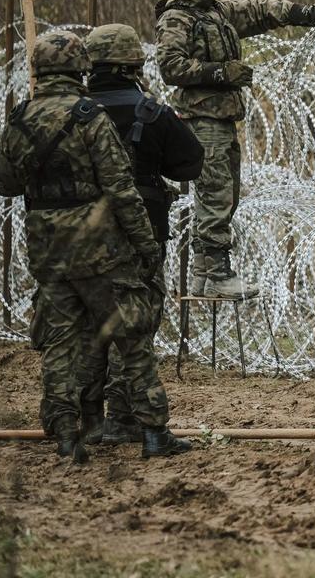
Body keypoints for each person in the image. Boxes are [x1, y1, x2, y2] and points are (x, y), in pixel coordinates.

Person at [0, 30, 188, 461]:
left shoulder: (21, 116)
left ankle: (65, 433)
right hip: (98, 244)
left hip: (46, 245)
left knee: (60, 342)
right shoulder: (87, 115)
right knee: (131, 336)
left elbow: (3, 183)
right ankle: (154, 432)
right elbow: (120, 187)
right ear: (80, 67)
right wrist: (145, 243)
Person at [155, 0, 315, 299]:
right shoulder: (177, 19)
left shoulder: (218, 12)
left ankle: (205, 274)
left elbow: (259, 9)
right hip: (201, 118)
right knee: (217, 195)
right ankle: (218, 274)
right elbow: (170, 67)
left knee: (226, 194)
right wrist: (219, 72)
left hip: (221, 117)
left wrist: (305, 13)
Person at [80, 23, 205, 446]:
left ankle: (88, 422)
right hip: (140, 236)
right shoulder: (151, 112)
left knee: (86, 327)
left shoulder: (67, 112)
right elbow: (190, 165)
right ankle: (124, 420)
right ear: (133, 63)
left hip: (75, 239)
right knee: (133, 328)